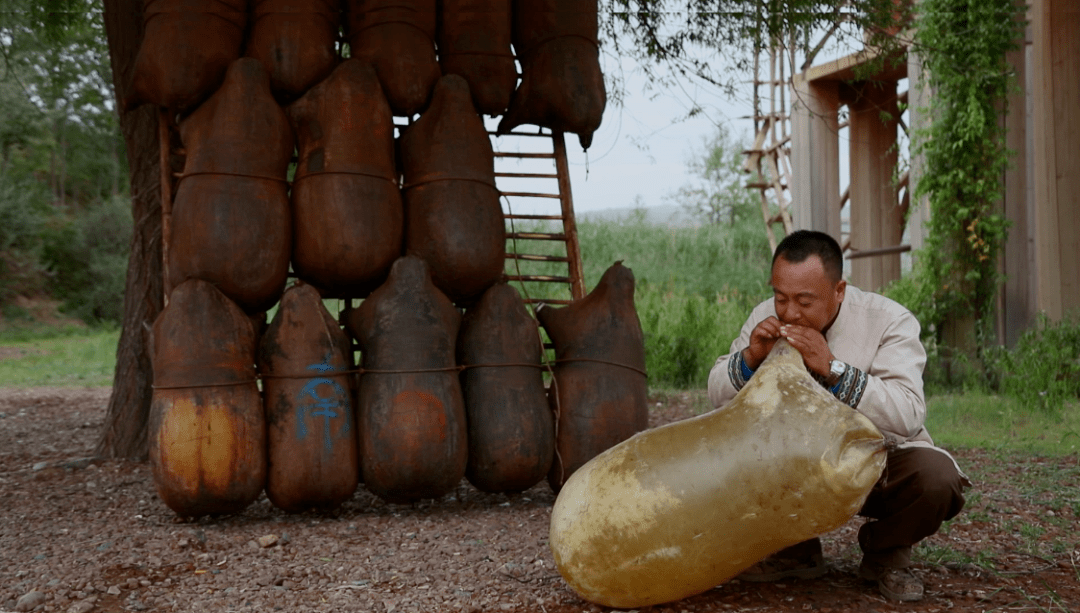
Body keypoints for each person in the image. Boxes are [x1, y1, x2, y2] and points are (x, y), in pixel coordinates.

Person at [707, 230, 969, 603]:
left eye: (804, 301)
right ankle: (794, 550)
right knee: (729, 453)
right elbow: (716, 394)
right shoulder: (763, 317)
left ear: (839, 290)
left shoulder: (890, 320)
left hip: (876, 463)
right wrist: (750, 358)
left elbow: (908, 413)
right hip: (794, 465)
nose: (789, 312)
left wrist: (833, 368)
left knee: (936, 479)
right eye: (781, 297)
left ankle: (885, 553)